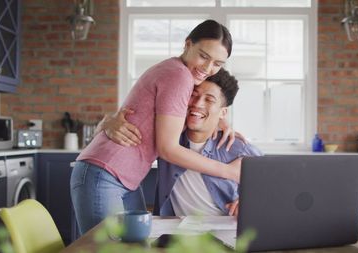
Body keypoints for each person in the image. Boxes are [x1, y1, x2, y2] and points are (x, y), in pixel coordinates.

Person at [70, 20, 241, 235]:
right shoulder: (179, 76)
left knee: (136, 245)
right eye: (204, 56)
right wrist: (228, 171)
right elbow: (167, 148)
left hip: (122, 177)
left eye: (217, 63)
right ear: (187, 44)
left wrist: (219, 119)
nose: (208, 68)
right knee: (106, 249)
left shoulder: (178, 72)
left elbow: (187, 108)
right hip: (104, 175)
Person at [154, 69, 262, 217]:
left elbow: (276, 186)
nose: (197, 103)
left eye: (209, 99)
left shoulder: (238, 148)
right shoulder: (167, 138)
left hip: (225, 235)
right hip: (177, 234)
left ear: (223, 113)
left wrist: (253, 201)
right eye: (193, 95)